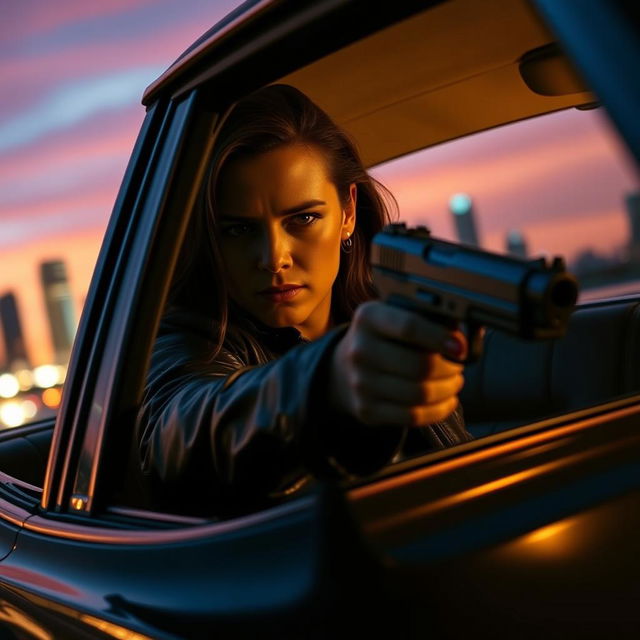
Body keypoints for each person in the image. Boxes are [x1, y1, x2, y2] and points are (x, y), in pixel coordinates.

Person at [136, 84, 471, 517]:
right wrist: (326, 385)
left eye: (303, 218)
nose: (273, 258)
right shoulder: (191, 337)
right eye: (238, 230)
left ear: (348, 212)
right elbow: (183, 429)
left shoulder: (390, 315)